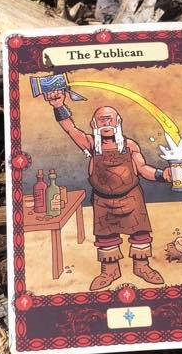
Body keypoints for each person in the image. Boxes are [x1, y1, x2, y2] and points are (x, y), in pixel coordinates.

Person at [45, 89, 168, 290]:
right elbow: (70, 129)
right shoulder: (91, 144)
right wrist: (59, 106)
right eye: (101, 120)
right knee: (106, 238)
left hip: (131, 198)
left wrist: (164, 175)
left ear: (118, 122)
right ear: (94, 124)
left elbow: (143, 169)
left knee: (140, 234)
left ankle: (142, 267)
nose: (106, 123)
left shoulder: (129, 146)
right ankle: (110, 271)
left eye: (110, 119)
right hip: (103, 202)